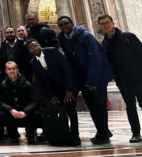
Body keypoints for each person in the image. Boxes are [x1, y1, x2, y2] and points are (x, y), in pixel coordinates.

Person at [57, 15, 115, 144]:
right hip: (82, 78)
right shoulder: (62, 37)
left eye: (66, 24)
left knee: (99, 106)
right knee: (91, 105)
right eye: (61, 25)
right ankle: (103, 130)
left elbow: (95, 58)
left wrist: (92, 80)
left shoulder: (85, 35)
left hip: (97, 76)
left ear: (72, 23)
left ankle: (103, 134)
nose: (64, 27)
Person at [27, 40, 81, 146]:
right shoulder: (33, 62)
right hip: (55, 90)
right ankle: (63, 134)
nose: (34, 49)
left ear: (40, 45)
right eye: (31, 48)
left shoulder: (52, 51)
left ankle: (75, 134)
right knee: (60, 110)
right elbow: (42, 81)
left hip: (67, 85)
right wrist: (51, 96)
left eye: (36, 46)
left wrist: (69, 89)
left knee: (70, 109)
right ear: (29, 51)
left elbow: (67, 70)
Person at [101, 14, 142, 143]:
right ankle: (136, 133)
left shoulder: (128, 37)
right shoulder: (104, 44)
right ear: (101, 27)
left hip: (138, 77)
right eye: (103, 24)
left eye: (108, 22)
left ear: (113, 23)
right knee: (130, 106)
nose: (106, 25)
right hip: (123, 81)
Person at [0, 62, 41, 143]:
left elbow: (34, 101)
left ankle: (30, 133)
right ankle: (13, 133)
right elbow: (0, 102)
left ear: (18, 70)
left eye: (14, 68)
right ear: (6, 71)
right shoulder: (2, 85)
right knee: (1, 114)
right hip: (12, 114)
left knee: (37, 114)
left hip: (25, 114)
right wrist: (11, 110)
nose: (12, 71)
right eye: (9, 69)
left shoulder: (27, 84)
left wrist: (25, 111)